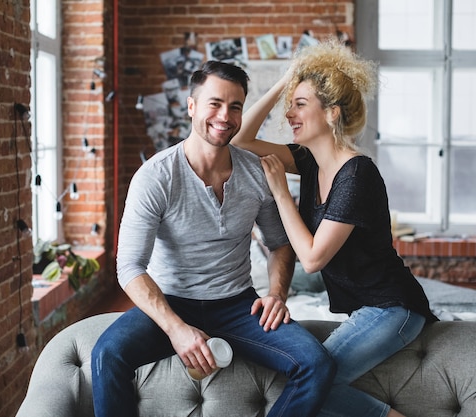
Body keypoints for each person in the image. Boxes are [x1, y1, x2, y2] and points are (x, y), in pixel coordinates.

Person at [91, 60, 335, 417]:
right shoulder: (155, 176)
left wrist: (277, 294)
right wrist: (176, 330)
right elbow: (128, 265)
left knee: (317, 364)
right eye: (215, 103)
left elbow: (279, 243)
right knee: (106, 354)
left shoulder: (257, 171)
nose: (225, 116)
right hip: (172, 301)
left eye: (235, 106)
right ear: (192, 107)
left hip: (238, 305)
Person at [232, 40, 438, 417]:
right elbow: (240, 141)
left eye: (300, 104)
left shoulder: (357, 174)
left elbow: (311, 258)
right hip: (366, 310)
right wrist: (286, 81)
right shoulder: (310, 161)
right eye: (290, 104)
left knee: (310, 379)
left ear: (331, 113)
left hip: (394, 309)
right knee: (309, 379)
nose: (289, 113)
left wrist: (281, 193)